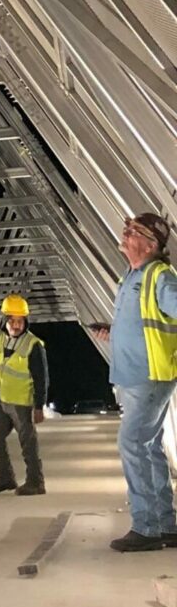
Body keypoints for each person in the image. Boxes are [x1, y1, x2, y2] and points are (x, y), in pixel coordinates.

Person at [87, 210, 177, 553]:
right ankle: (164, 525)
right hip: (136, 374)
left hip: (149, 376)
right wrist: (113, 332)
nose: (124, 236)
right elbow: (144, 324)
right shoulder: (132, 276)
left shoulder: (159, 277)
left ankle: (147, 528)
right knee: (149, 448)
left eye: (133, 232)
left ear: (150, 244)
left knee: (132, 445)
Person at [0, 293, 47, 496]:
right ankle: (4, 478)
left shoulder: (33, 344)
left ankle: (36, 483)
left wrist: (39, 406)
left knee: (28, 444)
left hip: (21, 403)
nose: (16, 325)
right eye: (12, 321)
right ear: (5, 321)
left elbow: (41, 377)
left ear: (25, 322)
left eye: (20, 321)